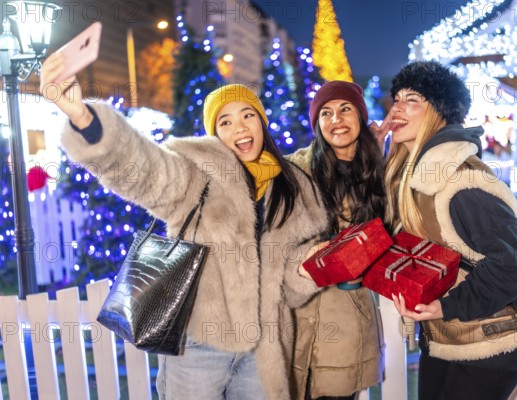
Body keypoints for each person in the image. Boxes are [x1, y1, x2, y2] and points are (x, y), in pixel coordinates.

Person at [40, 53, 330, 400]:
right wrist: (83, 117)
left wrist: (312, 265)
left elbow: (293, 284)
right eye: (225, 122)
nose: (240, 128)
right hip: (200, 345)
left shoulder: (293, 186)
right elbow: (146, 171)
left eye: (248, 115)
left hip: (265, 348)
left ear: (261, 122)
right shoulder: (198, 173)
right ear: (215, 134)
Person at [383, 61, 517, 400]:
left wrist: (446, 305)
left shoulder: (460, 180)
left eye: (411, 99)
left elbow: (514, 261)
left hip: (493, 341)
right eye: (396, 98)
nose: (396, 108)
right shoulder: (412, 178)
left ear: (439, 113)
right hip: (450, 337)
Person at [287, 81, 386, 400]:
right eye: (326, 113)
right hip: (296, 320)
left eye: (346, 109)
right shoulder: (294, 173)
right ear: (317, 125)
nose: (336, 119)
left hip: (345, 325)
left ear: (360, 115)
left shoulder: (378, 174)